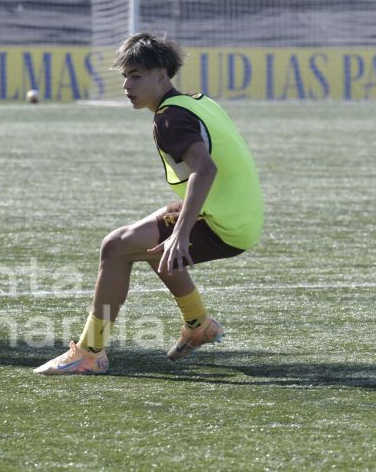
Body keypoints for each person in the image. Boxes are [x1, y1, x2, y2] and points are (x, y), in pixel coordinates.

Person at [34, 33, 263, 375]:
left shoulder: (169, 119)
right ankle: (199, 325)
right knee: (149, 242)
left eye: (136, 76)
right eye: (125, 76)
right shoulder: (198, 102)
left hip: (225, 224)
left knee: (115, 247)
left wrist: (182, 233)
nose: (127, 85)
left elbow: (206, 169)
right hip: (239, 214)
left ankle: (89, 352)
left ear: (161, 75)